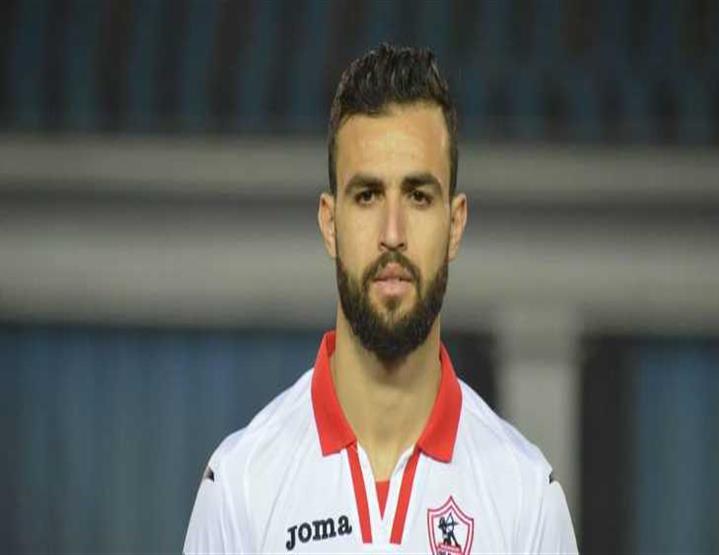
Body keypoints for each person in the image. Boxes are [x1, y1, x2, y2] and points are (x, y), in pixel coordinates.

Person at [183, 43, 578, 554]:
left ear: (455, 223)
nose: (393, 233)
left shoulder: (526, 497)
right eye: (367, 195)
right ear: (330, 223)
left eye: (418, 196)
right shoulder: (240, 486)